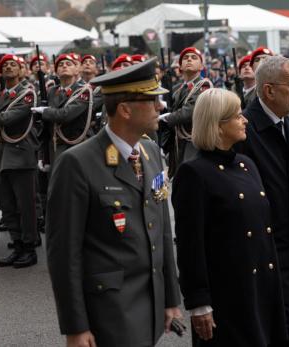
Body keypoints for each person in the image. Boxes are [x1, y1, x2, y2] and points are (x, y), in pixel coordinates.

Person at [46, 59, 182, 347]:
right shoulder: (77, 163)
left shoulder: (151, 152)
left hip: (150, 304)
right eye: (152, 100)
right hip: (108, 312)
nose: (160, 106)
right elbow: (64, 254)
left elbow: (161, 229)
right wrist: (75, 326)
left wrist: (170, 298)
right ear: (125, 109)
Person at [173, 88, 287, 347]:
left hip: (262, 286)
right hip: (229, 291)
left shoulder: (246, 163)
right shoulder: (194, 173)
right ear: (218, 124)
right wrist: (199, 302)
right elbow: (191, 246)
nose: (245, 119)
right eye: (237, 116)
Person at [236, 55, 289, 346]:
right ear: (269, 90)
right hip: (262, 250)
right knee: (285, 326)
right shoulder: (243, 130)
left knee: (288, 324)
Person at [0, 54, 39, 268]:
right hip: (3, 155)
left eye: (13, 65)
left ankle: (30, 247)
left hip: (21, 154)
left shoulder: (27, 93)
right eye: (4, 66)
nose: (9, 68)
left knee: (25, 206)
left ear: (22, 71)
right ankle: (18, 244)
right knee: (8, 205)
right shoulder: (2, 93)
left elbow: (12, 117)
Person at [159, 47, 212, 177]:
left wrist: (166, 118)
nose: (189, 59)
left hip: (195, 143)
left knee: (191, 176)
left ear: (201, 66)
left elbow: (190, 111)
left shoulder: (203, 86)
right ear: (180, 67)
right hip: (179, 143)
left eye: (194, 58)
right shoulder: (179, 90)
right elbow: (175, 108)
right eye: (185, 58)